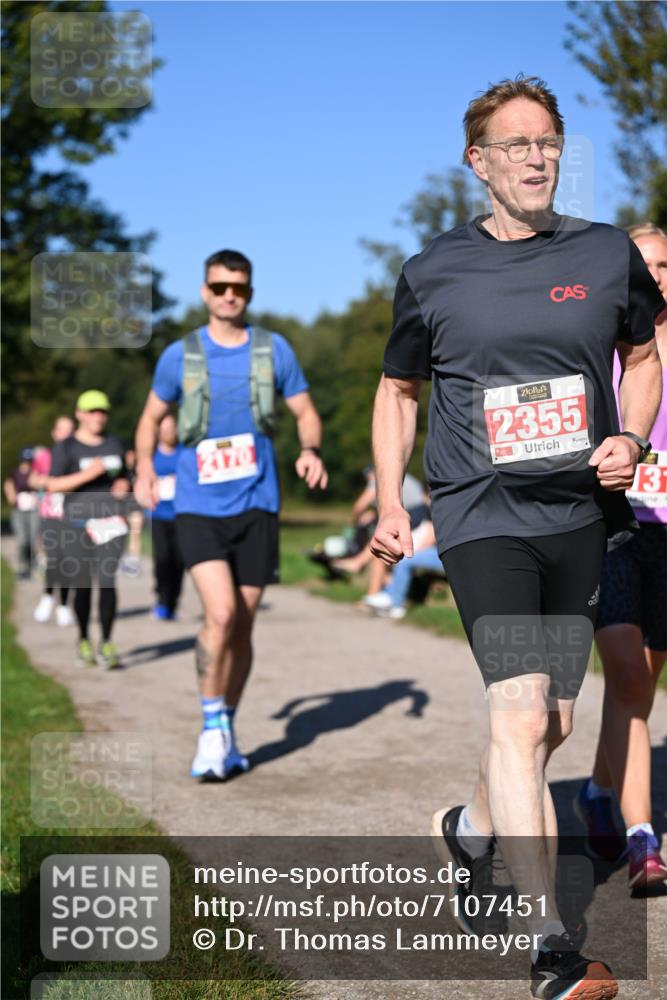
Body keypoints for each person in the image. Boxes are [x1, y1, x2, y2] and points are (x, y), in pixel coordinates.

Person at [370, 76, 663, 1000]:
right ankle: (549, 948)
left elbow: (642, 358)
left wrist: (629, 436)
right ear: (478, 161)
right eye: (517, 144)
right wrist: (390, 501)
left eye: (548, 142)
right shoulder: (432, 270)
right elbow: (397, 392)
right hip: (480, 514)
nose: (537, 158)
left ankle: (469, 828)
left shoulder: (606, 254)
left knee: (551, 722)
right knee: (522, 712)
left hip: (580, 516)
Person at [134, 248, 327, 780]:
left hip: (258, 503)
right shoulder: (179, 355)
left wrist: (310, 449)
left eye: (238, 288)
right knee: (219, 615)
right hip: (197, 505)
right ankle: (210, 723)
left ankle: (226, 726)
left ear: (249, 293)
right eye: (220, 287)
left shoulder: (273, 350)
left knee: (242, 625)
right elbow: (150, 418)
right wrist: (144, 467)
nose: (228, 296)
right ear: (205, 291)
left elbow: (305, 411)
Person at [576, 223, 667, 890]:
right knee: (630, 678)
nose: (655, 274)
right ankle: (643, 840)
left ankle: (596, 791)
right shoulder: (598, 344)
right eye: (645, 263)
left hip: (666, 532)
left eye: (665, 265)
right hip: (610, 528)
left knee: (641, 683)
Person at [47, 391, 130, 668]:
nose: (98, 416)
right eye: (92, 411)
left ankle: (106, 642)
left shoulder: (115, 442)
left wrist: (124, 485)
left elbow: (125, 477)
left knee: (107, 581)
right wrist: (89, 474)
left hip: (110, 522)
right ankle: (83, 638)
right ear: (79, 414)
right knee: (82, 585)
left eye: (102, 411)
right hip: (77, 524)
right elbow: (53, 485)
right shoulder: (66, 447)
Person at [30, 415, 76, 625]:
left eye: (70, 430)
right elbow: (32, 479)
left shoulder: (78, 456)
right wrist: (45, 481)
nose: (66, 434)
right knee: (54, 558)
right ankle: (48, 596)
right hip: (50, 513)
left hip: (72, 514)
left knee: (67, 561)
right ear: (54, 433)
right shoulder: (44, 456)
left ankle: (64, 605)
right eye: (62, 430)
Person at [364, 518, 442, 619]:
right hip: (435, 550)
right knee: (401, 557)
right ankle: (388, 594)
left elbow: (430, 538)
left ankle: (396, 605)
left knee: (406, 560)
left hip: (444, 553)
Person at [150, 412, 185, 620]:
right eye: (164, 429)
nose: (168, 433)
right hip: (159, 515)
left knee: (179, 560)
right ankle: (162, 599)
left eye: (171, 429)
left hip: (181, 515)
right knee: (162, 558)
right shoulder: (152, 456)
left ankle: (173, 602)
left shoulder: (184, 454)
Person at [4, 448, 40, 578]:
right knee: (22, 540)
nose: (27, 463)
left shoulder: (35, 473)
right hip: (19, 511)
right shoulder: (14, 473)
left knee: (32, 539)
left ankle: (32, 563)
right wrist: (11, 495)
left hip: (33, 510)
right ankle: (22, 565)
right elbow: (8, 485)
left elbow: (39, 486)